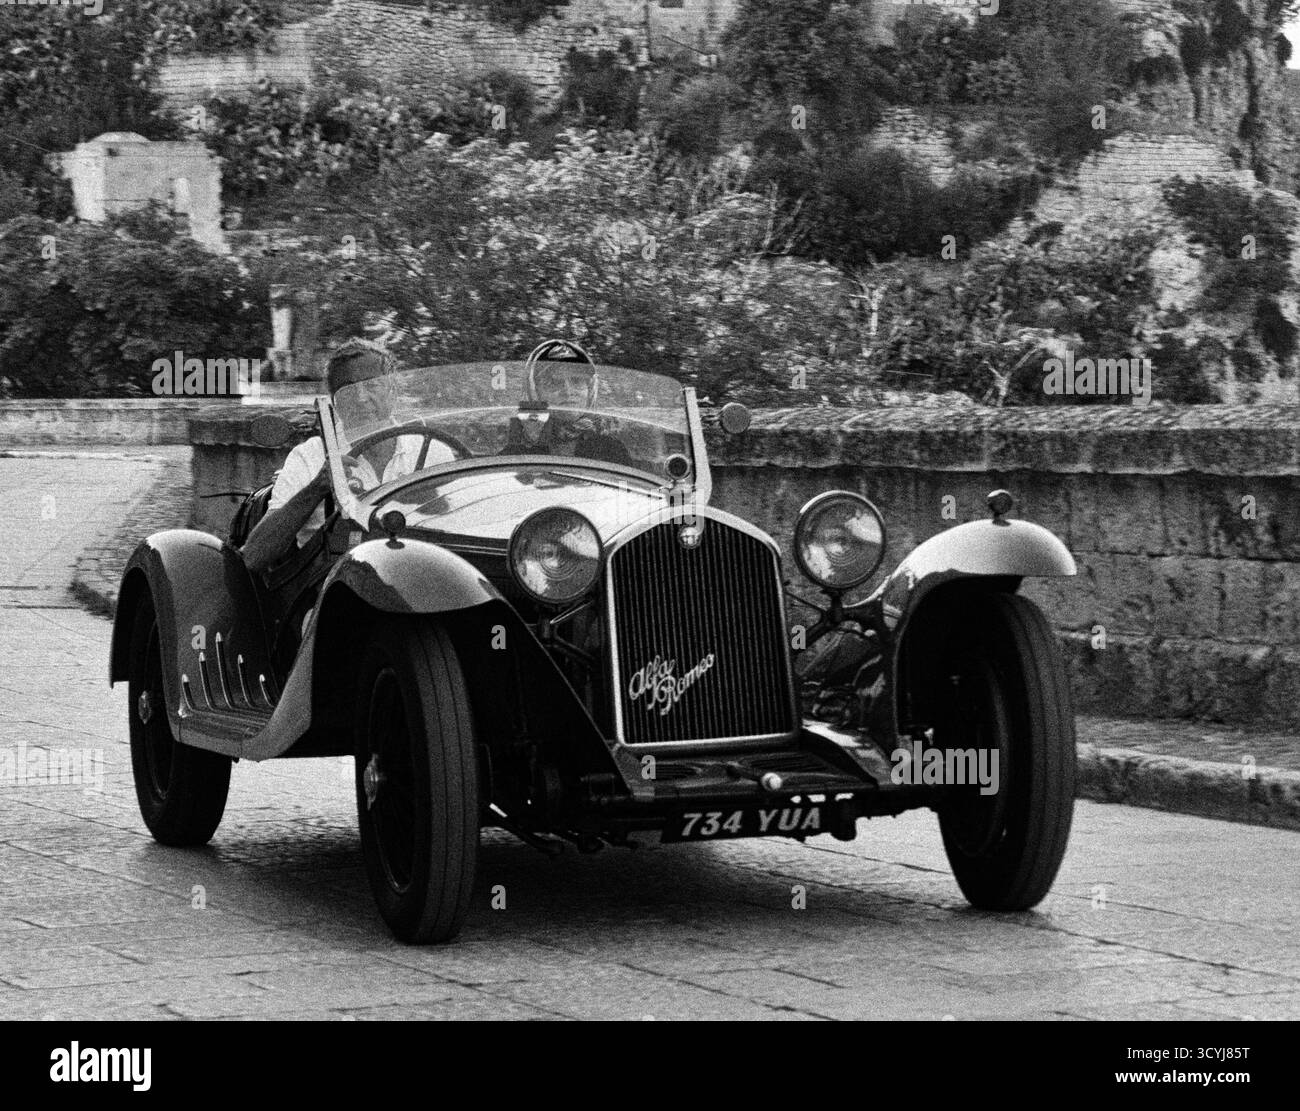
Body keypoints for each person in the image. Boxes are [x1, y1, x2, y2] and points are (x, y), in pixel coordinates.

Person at [241, 338, 451, 574]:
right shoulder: (309, 456)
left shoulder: (432, 450)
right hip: (336, 588)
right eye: (348, 390)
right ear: (334, 402)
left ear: (393, 392)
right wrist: (318, 487)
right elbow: (254, 556)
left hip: (421, 579)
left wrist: (435, 500)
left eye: (372, 386)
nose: (361, 398)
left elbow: (464, 526)